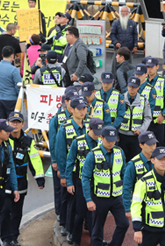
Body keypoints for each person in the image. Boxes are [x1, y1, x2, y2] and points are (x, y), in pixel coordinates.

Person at [81, 126, 129, 246]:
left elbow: (124, 174)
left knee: (124, 223)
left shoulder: (119, 152)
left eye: (113, 140)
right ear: (101, 138)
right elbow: (85, 177)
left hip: (117, 197)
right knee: (97, 230)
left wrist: (126, 195)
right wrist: (88, 200)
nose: (111, 143)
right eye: (108, 140)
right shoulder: (93, 155)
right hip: (99, 198)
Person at [7, 111, 45, 246]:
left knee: (17, 212)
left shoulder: (29, 141)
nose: (15, 124)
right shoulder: (4, 139)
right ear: (8, 123)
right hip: (5, 183)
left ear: (23, 124)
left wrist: (39, 178)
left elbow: (35, 161)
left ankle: (13, 237)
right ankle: (6, 238)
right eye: (13, 122)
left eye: (18, 122)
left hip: (21, 180)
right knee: (6, 211)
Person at [65, 118, 104, 246]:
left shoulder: (102, 142)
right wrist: (69, 182)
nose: (98, 134)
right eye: (95, 131)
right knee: (80, 213)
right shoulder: (78, 142)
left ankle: (96, 240)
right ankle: (76, 240)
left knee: (96, 214)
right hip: (82, 182)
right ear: (89, 129)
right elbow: (70, 162)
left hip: (98, 182)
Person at [55, 96, 90, 240]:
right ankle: (69, 230)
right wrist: (64, 175)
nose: (82, 112)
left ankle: (88, 227)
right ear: (71, 110)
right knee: (72, 203)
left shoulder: (90, 125)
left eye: (84, 108)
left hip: (88, 172)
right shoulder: (64, 128)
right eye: (79, 109)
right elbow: (61, 153)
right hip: (73, 173)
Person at [131, 147, 165, 246]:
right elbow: (136, 206)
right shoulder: (143, 182)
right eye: (160, 159)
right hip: (149, 231)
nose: (163, 162)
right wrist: (137, 229)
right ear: (152, 160)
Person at [48, 87, 78, 225]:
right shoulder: (57, 119)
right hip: (61, 160)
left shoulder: (79, 118)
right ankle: (60, 213)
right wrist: (54, 161)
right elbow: (53, 142)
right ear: (66, 102)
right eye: (72, 101)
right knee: (60, 189)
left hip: (75, 163)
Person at [122, 131, 156, 218]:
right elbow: (126, 187)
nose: (152, 147)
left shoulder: (159, 160)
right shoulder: (132, 164)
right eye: (149, 145)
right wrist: (127, 208)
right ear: (141, 145)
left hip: (157, 204)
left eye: (154, 144)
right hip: (141, 205)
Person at [118, 76, 153, 161]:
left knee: (135, 160)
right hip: (122, 135)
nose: (131, 89)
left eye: (134, 87)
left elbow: (148, 118)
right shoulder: (120, 99)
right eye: (130, 86)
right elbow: (116, 116)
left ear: (138, 87)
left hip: (136, 136)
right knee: (121, 159)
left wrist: (141, 130)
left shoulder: (143, 100)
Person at [145, 56, 165, 144]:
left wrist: (163, 114)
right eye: (148, 67)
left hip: (158, 120)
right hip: (144, 120)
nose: (149, 69)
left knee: (158, 144)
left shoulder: (164, 82)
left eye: (152, 67)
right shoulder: (142, 81)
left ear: (157, 67)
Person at [0, 46, 22, 119]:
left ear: (2, 55)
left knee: (1, 122)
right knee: (12, 122)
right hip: (11, 99)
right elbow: (19, 86)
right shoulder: (13, 70)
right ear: (12, 56)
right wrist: (20, 100)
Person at [110, 6, 138, 74]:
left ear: (128, 13)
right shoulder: (116, 23)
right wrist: (116, 42)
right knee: (115, 67)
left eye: (125, 11)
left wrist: (135, 46)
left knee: (129, 67)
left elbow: (135, 35)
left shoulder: (133, 23)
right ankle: (114, 80)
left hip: (129, 50)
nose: (123, 13)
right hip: (118, 50)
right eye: (122, 11)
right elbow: (112, 34)